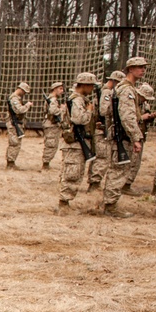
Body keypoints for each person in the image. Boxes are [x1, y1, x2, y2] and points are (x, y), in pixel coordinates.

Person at [100, 56, 148, 218]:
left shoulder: (124, 88)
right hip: (123, 136)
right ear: (130, 69)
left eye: (144, 67)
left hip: (120, 135)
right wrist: (136, 137)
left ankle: (110, 203)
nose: (142, 70)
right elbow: (127, 116)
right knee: (119, 170)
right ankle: (110, 206)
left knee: (118, 169)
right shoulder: (126, 89)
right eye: (139, 67)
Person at [56, 73, 98, 215]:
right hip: (74, 143)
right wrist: (89, 112)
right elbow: (78, 118)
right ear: (84, 85)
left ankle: (65, 202)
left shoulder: (80, 99)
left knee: (76, 173)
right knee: (72, 173)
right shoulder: (77, 100)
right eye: (91, 85)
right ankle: (63, 204)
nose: (92, 88)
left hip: (78, 142)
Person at [89, 71, 126, 192]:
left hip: (103, 128)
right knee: (102, 157)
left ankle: (94, 181)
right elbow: (104, 111)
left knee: (101, 156)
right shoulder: (106, 92)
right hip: (102, 129)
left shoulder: (105, 92)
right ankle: (94, 183)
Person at [125, 82, 155, 192]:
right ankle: (124, 184)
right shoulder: (131, 102)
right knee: (129, 162)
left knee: (136, 162)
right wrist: (142, 117)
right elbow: (129, 119)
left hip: (141, 134)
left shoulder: (145, 105)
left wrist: (150, 117)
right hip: (131, 135)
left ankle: (128, 184)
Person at [6, 82, 33, 169]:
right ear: (20, 89)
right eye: (24, 91)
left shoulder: (17, 98)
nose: (24, 94)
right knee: (14, 142)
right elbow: (19, 110)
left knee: (16, 143)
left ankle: (12, 161)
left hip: (17, 122)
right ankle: (10, 163)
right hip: (13, 123)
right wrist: (27, 105)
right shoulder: (14, 98)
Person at [41, 81, 65, 170]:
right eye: (60, 89)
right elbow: (53, 111)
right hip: (51, 124)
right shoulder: (52, 99)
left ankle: (46, 162)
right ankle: (46, 164)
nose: (62, 91)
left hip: (52, 124)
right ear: (55, 89)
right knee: (50, 144)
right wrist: (62, 109)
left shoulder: (52, 99)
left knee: (52, 144)